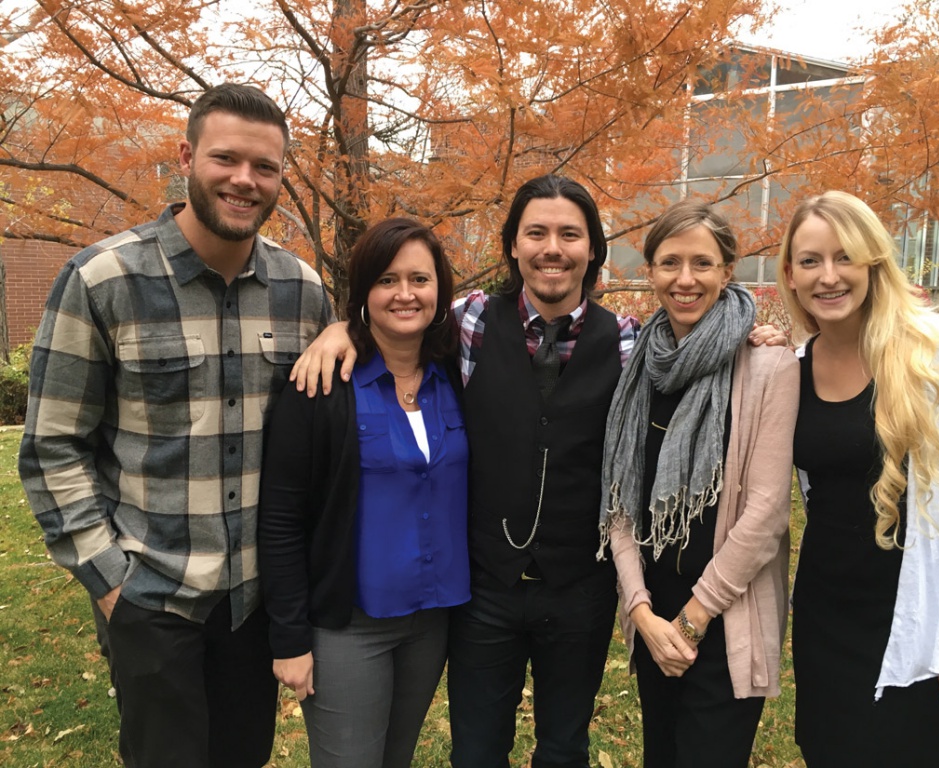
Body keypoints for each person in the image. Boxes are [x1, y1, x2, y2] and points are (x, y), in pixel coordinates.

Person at [290, 175, 785, 768]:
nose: (553, 247)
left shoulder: (630, 342)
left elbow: (692, 351)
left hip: (581, 588)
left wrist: (748, 333)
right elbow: (398, 316)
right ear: (514, 247)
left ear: (593, 250)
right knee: (475, 751)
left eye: (570, 234)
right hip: (484, 589)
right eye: (537, 233)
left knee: (564, 748)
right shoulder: (468, 322)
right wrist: (339, 330)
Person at [18, 83, 334, 768]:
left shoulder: (304, 291)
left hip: (255, 605)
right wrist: (110, 584)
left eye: (266, 167)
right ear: (186, 155)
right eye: (226, 159)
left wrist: (351, 336)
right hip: (150, 598)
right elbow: (51, 447)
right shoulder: (102, 279)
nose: (245, 180)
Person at [776, 190, 939, 767]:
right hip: (826, 613)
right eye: (810, 261)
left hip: (923, 613)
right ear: (790, 273)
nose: (828, 276)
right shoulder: (793, 368)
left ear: (875, 262)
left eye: (845, 257)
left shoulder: (938, 349)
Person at [258, 217, 470, 768]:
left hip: (432, 619)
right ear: (363, 293)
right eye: (386, 280)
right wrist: (289, 638)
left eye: (420, 279)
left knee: (395, 758)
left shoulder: (458, 377)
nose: (405, 294)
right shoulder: (321, 386)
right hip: (347, 626)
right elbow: (281, 516)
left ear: (440, 291)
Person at [600, 201, 798, 767]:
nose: (685, 280)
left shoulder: (768, 367)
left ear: (727, 271)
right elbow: (619, 494)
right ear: (651, 271)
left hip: (723, 615)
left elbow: (765, 515)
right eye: (669, 263)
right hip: (656, 615)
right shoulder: (638, 363)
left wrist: (693, 620)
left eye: (702, 264)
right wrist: (640, 611)